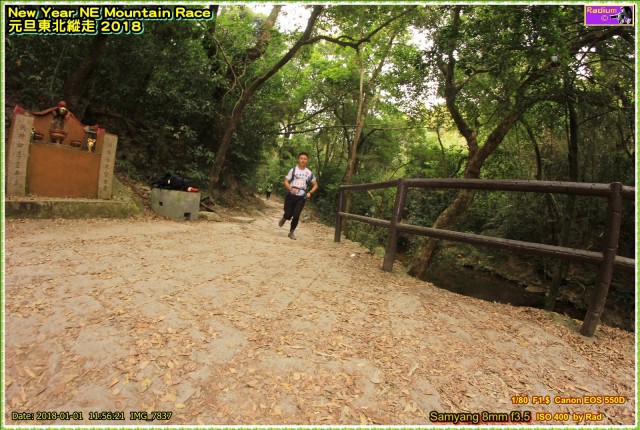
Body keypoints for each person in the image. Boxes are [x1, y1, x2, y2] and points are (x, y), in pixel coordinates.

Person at [279, 152, 319, 240]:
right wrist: (290, 188)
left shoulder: (309, 173)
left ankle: (291, 232)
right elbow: (286, 181)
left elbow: (316, 185)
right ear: (298, 159)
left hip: (301, 197)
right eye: (301, 158)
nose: (303, 160)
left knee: (296, 215)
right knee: (288, 214)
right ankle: (285, 218)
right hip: (291, 195)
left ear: (307, 160)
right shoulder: (293, 170)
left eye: (305, 159)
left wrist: (310, 193)